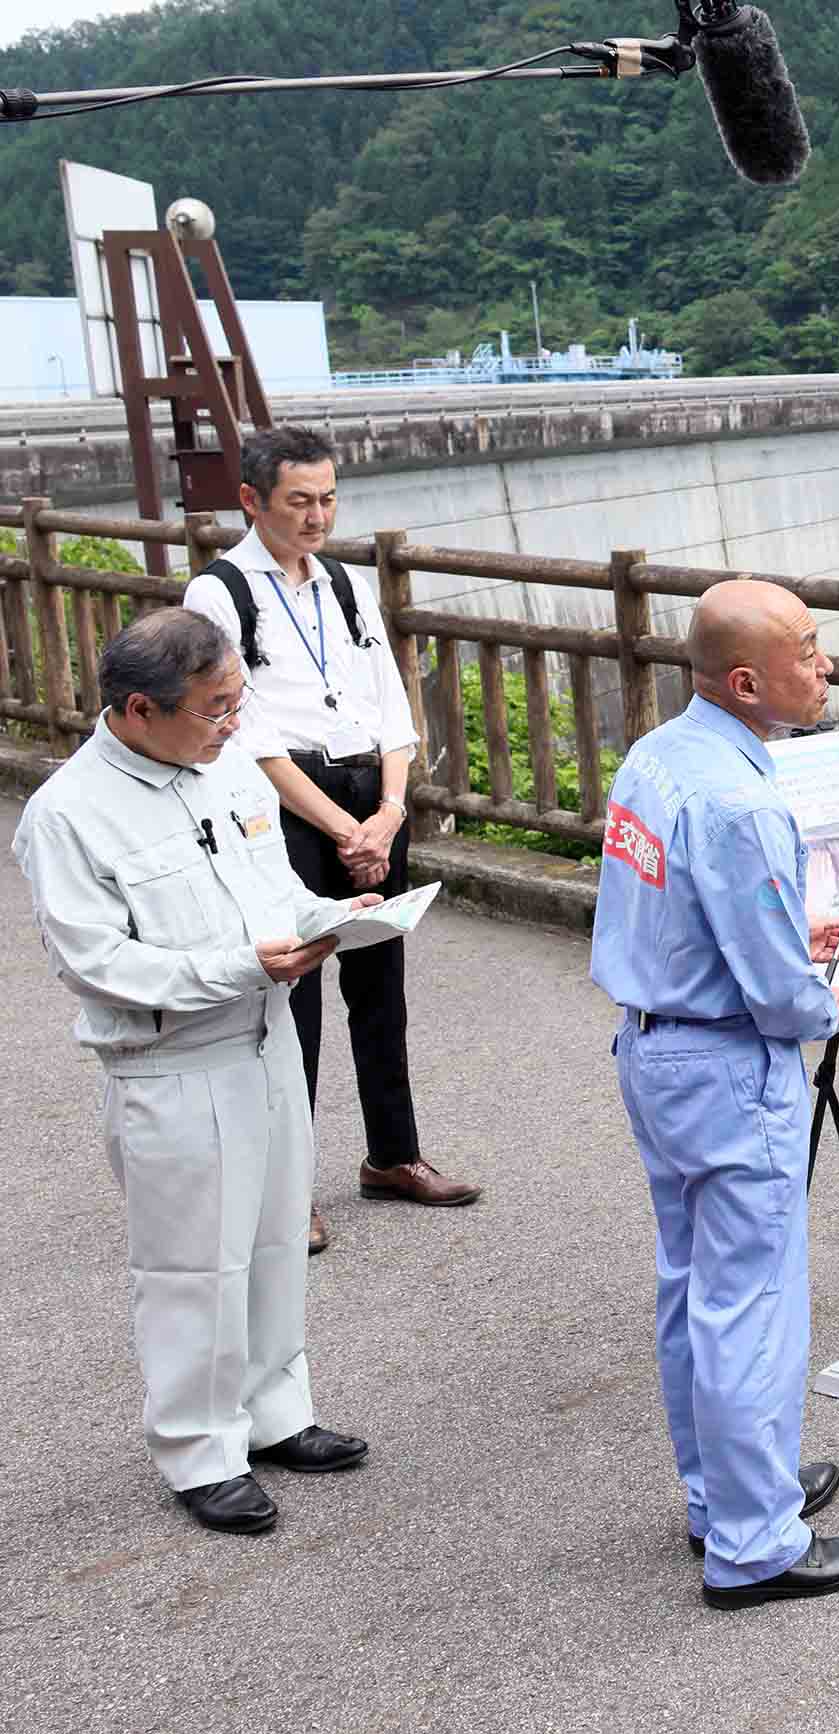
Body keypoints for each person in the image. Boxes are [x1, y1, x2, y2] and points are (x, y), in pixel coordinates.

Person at [13, 609, 378, 1535]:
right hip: (172, 1059)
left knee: (274, 1237)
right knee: (191, 1266)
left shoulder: (224, 768)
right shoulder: (69, 814)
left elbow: (271, 886)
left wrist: (330, 916)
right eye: (215, 708)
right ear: (140, 709)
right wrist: (242, 967)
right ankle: (199, 1448)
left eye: (236, 702)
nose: (232, 723)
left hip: (266, 1033)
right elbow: (98, 964)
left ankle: (276, 1409)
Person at [590, 578, 839, 1610]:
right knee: (751, 1308)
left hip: (654, 1044)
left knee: (694, 1289)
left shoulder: (660, 756)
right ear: (749, 682)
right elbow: (779, 996)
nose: (827, 665)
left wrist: (779, 942)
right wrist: (820, 995)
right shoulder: (743, 800)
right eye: (808, 651)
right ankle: (756, 1544)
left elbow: (683, 910)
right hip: (725, 1066)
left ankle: (721, 1495)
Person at [184, 425, 480, 1257]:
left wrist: (389, 810)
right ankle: (289, 1188)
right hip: (287, 809)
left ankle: (394, 1155)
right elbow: (246, 734)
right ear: (252, 501)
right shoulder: (219, 593)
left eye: (328, 499)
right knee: (295, 1002)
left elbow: (390, 702)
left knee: (382, 987)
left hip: (369, 799)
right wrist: (346, 827)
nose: (317, 517)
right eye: (299, 502)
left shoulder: (344, 583)